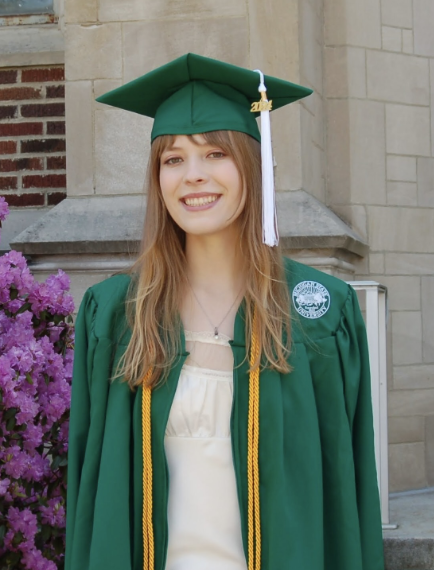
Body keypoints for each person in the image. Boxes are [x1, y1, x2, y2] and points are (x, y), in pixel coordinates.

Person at [65, 53, 385, 570]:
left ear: (253, 165)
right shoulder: (115, 315)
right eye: (173, 159)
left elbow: (348, 499)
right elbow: (89, 496)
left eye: (215, 154)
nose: (193, 175)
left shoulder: (322, 315)